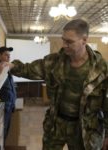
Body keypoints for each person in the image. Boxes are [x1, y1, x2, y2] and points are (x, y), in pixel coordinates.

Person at [8, 19, 108, 150]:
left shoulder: (101, 68)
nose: (64, 45)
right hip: (56, 124)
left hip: (85, 130)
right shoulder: (54, 61)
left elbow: (107, 104)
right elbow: (30, 69)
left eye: (69, 42)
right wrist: (11, 66)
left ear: (84, 40)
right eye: (63, 40)